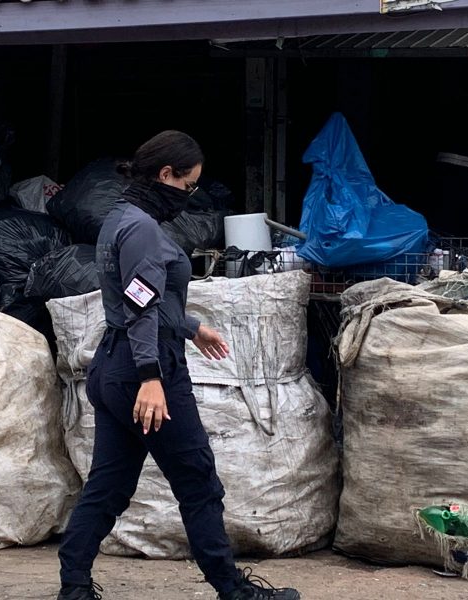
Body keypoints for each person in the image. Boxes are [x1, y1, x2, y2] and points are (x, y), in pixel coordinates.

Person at [56, 131, 301, 600]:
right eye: (188, 186)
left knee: (109, 485)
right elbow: (140, 308)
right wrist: (151, 378)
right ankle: (233, 590)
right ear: (166, 175)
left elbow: (137, 297)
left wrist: (190, 327)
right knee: (198, 481)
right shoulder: (144, 230)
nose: (189, 196)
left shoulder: (120, 218)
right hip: (145, 368)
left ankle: (74, 586)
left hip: (112, 365)